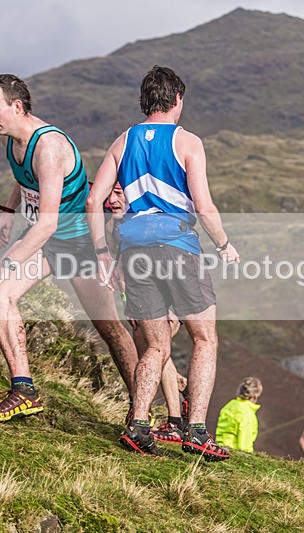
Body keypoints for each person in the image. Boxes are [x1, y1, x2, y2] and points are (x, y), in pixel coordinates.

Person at [86, 65, 240, 460]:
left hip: (133, 248)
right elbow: (203, 207)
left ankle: (138, 425)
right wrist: (224, 244)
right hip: (177, 246)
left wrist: (104, 253)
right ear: (177, 100)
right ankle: (198, 432)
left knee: (155, 346)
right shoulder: (188, 142)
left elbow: (93, 201)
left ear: (145, 100)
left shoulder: (123, 141)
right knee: (204, 338)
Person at [0, 74, 138, 422]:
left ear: (16, 107)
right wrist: (7, 211)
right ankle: (24, 391)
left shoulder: (49, 148)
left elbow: (48, 221)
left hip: (77, 243)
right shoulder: (14, 139)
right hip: (45, 239)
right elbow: (28, 180)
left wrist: (8, 262)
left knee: (109, 328)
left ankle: (140, 409)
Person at [105, 182, 189, 441]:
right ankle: (176, 402)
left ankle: (173, 420)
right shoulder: (113, 227)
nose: (112, 200)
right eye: (109, 194)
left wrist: (174, 307)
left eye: (118, 193)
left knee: (156, 349)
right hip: (141, 300)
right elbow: (120, 272)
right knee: (156, 351)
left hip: (165, 300)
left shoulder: (152, 223)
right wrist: (127, 301)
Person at [215, 377, 263, 453]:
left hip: (220, 446)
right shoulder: (247, 412)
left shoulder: (229, 405)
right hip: (234, 450)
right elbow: (245, 438)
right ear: (255, 396)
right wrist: (247, 455)